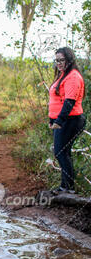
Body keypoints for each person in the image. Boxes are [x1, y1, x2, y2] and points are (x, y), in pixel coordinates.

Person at [48, 47, 86, 194]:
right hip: (63, 120)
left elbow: (69, 102)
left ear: (69, 60)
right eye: (56, 60)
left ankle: (68, 187)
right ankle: (66, 186)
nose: (58, 63)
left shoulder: (73, 77)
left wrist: (59, 120)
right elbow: (57, 100)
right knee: (62, 152)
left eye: (61, 60)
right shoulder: (63, 75)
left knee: (61, 152)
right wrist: (52, 119)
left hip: (71, 120)